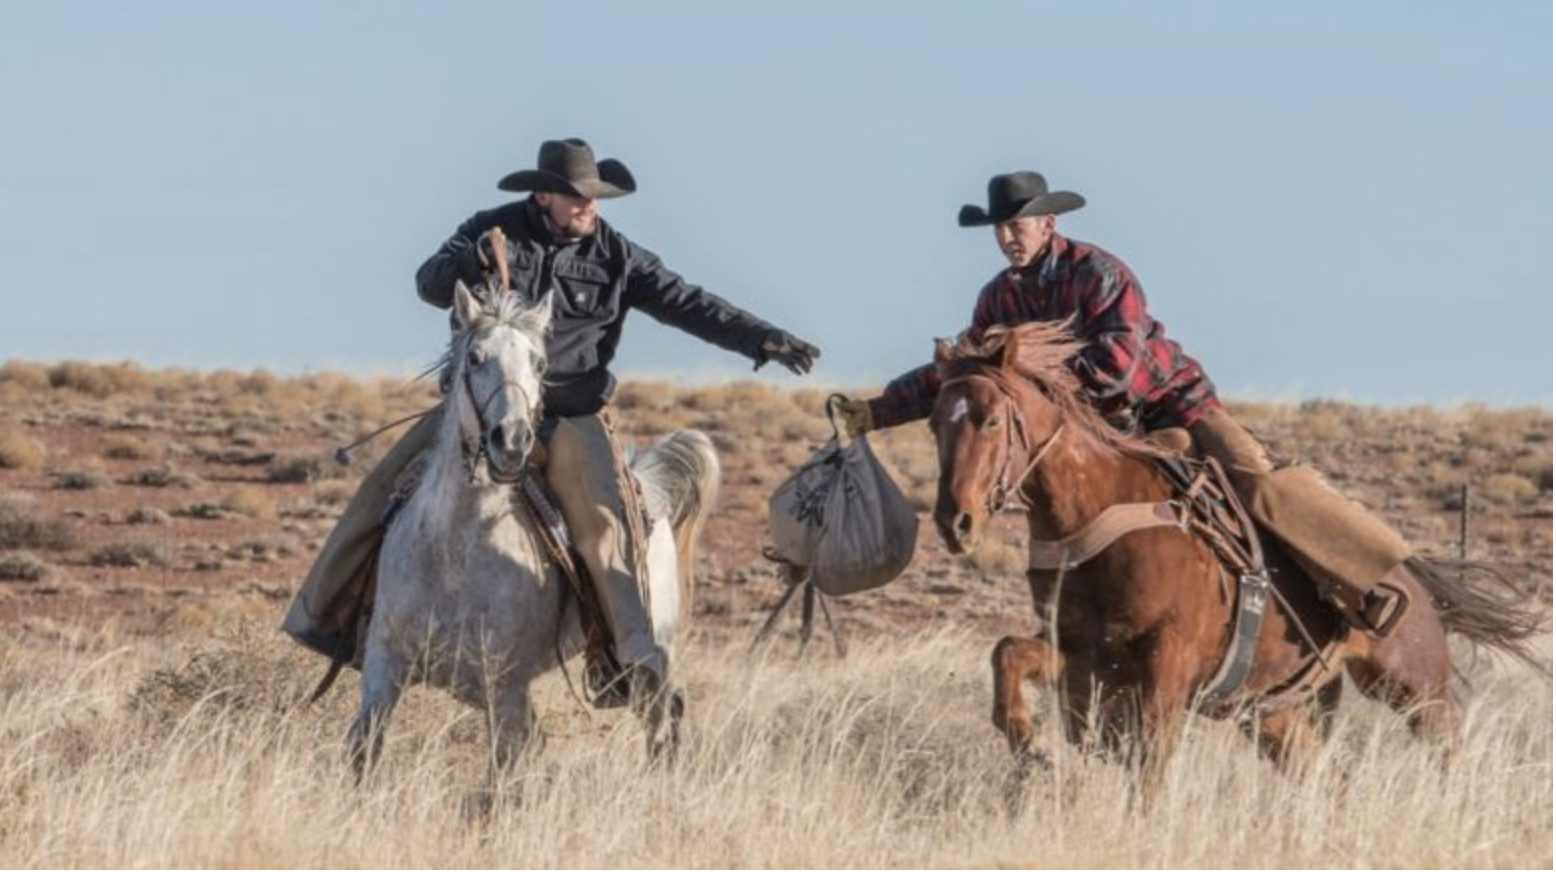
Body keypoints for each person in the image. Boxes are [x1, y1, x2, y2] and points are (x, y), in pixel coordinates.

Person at [284, 138, 820, 699]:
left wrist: (760, 337)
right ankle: (329, 619)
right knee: (380, 492)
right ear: (543, 196)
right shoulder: (489, 230)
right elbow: (429, 283)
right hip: (478, 412)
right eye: (575, 196)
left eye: (594, 197)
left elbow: (688, 302)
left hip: (569, 414)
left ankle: (631, 660)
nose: (589, 206)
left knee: (604, 525)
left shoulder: (618, 255)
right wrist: (469, 263)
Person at [833, 170, 1413, 637]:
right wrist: (874, 412)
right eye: (1000, 228)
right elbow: (967, 378)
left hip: (1170, 406)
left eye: (1019, 225)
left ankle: (1371, 581)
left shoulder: (1101, 274)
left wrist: (1038, 387)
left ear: (1048, 223)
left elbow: (1118, 368)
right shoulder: (999, 298)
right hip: (1095, 430)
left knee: (1258, 480)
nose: (1009, 237)